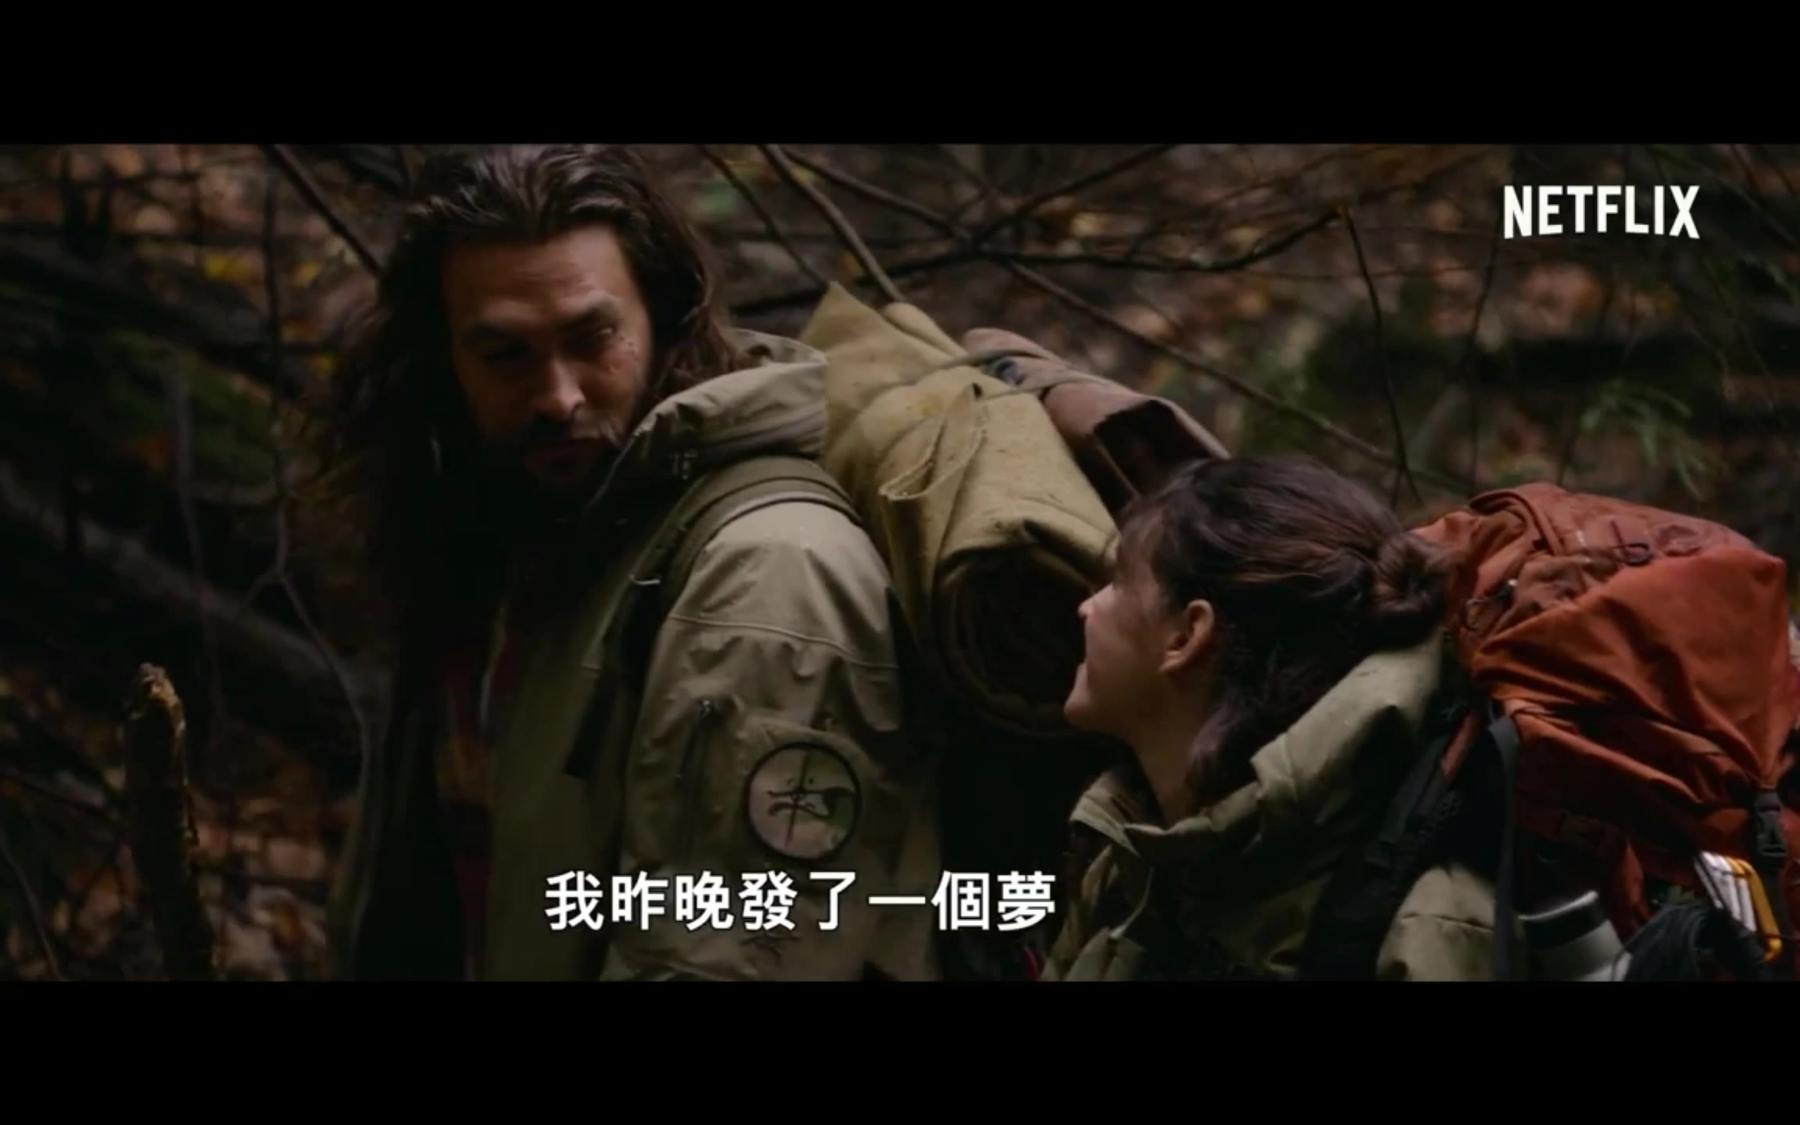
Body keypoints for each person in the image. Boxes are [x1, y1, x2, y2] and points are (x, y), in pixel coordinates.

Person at [311, 144, 941, 981]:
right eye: (504, 354)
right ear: (443, 357)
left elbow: (727, 959)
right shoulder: (514, 535)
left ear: (664, 316)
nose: (558, 396)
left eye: (592, 337)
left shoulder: (763, 574)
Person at [1039, 454, 1497, 980]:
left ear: (1186, 636)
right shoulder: (1137, 856)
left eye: (1120, 582)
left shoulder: (1420, 931)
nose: (1088, 607)